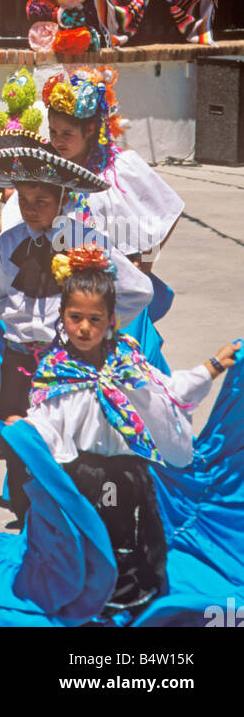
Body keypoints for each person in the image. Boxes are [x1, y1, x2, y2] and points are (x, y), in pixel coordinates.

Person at [22, 255, 239, 614]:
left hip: (128, 470)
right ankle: (90, 591)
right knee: (93, 533)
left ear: (111, 320)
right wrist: (29, 438)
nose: (84, 328)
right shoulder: (55, 369)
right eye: (75, 317)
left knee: (126, 531)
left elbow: (167, 393)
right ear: (62, 316)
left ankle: (123, 591)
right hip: (82, 474)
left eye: (95, 319)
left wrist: (212, 367)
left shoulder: (126, 359)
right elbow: (46, 422)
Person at [0, 132, 153, 524]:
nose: (32, 209)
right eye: (24, 201)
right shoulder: (8, 244)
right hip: (18, 360)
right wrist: (24, 317)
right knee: (19, 441)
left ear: (64, 200)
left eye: (42, 201)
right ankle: (26, 519)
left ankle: (67, 520)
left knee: (65, 444)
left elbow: (139, 290)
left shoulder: (82, 241)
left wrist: (100, 322)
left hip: (65, 366)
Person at [0, 69, 183, 270]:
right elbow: (18, 205)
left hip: (105, 278)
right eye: (53, 132)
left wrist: (146, 264)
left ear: (89, 130)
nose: (58, 141)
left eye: (67, 134)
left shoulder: (122, 167)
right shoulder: (49, 164)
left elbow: (165, 214)